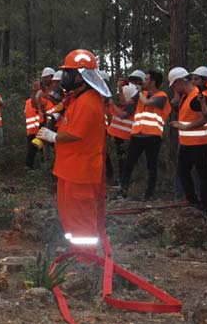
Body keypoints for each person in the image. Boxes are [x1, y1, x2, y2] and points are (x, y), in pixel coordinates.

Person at [34, 49, 111, 248]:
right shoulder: (76, 98)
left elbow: (76, 134)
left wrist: (53, 137)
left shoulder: (88, 102)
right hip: (69, 169)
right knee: (69, 215)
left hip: (81, 172)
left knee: (81, 219)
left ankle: (86, 258)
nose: (64, 77)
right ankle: (76, 253)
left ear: (80, 76)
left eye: (68, 72)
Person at [167, 67, 207, 212]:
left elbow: (206, 117)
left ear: (180, 82)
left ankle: (204, 206)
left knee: (203, 174)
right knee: (183, 172)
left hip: (200, 142)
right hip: (188, 143)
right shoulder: (186, 96)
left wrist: (185, 127)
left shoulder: (197, 97)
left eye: (175, 85)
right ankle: (193, 201)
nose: (174, 89)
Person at [119, 70, 170, 200]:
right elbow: (124, 103)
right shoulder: (142, 94)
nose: (144, 81)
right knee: (129, 164)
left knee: (151, 166)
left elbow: (147, 103)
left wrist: (139, 91)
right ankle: (123, 191)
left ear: (153, 82)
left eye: (146, 79)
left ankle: (149, 194)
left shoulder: (162, 96)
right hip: (137, 135)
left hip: (153, 136)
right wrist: (120, 88)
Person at [25, 81, 42, 169]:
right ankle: (30, 169)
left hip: (39, 130)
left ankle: (40, 169)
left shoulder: (42, 100)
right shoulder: (29, 102)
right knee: (31, 153)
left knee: (40, 152)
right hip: (33, 131)